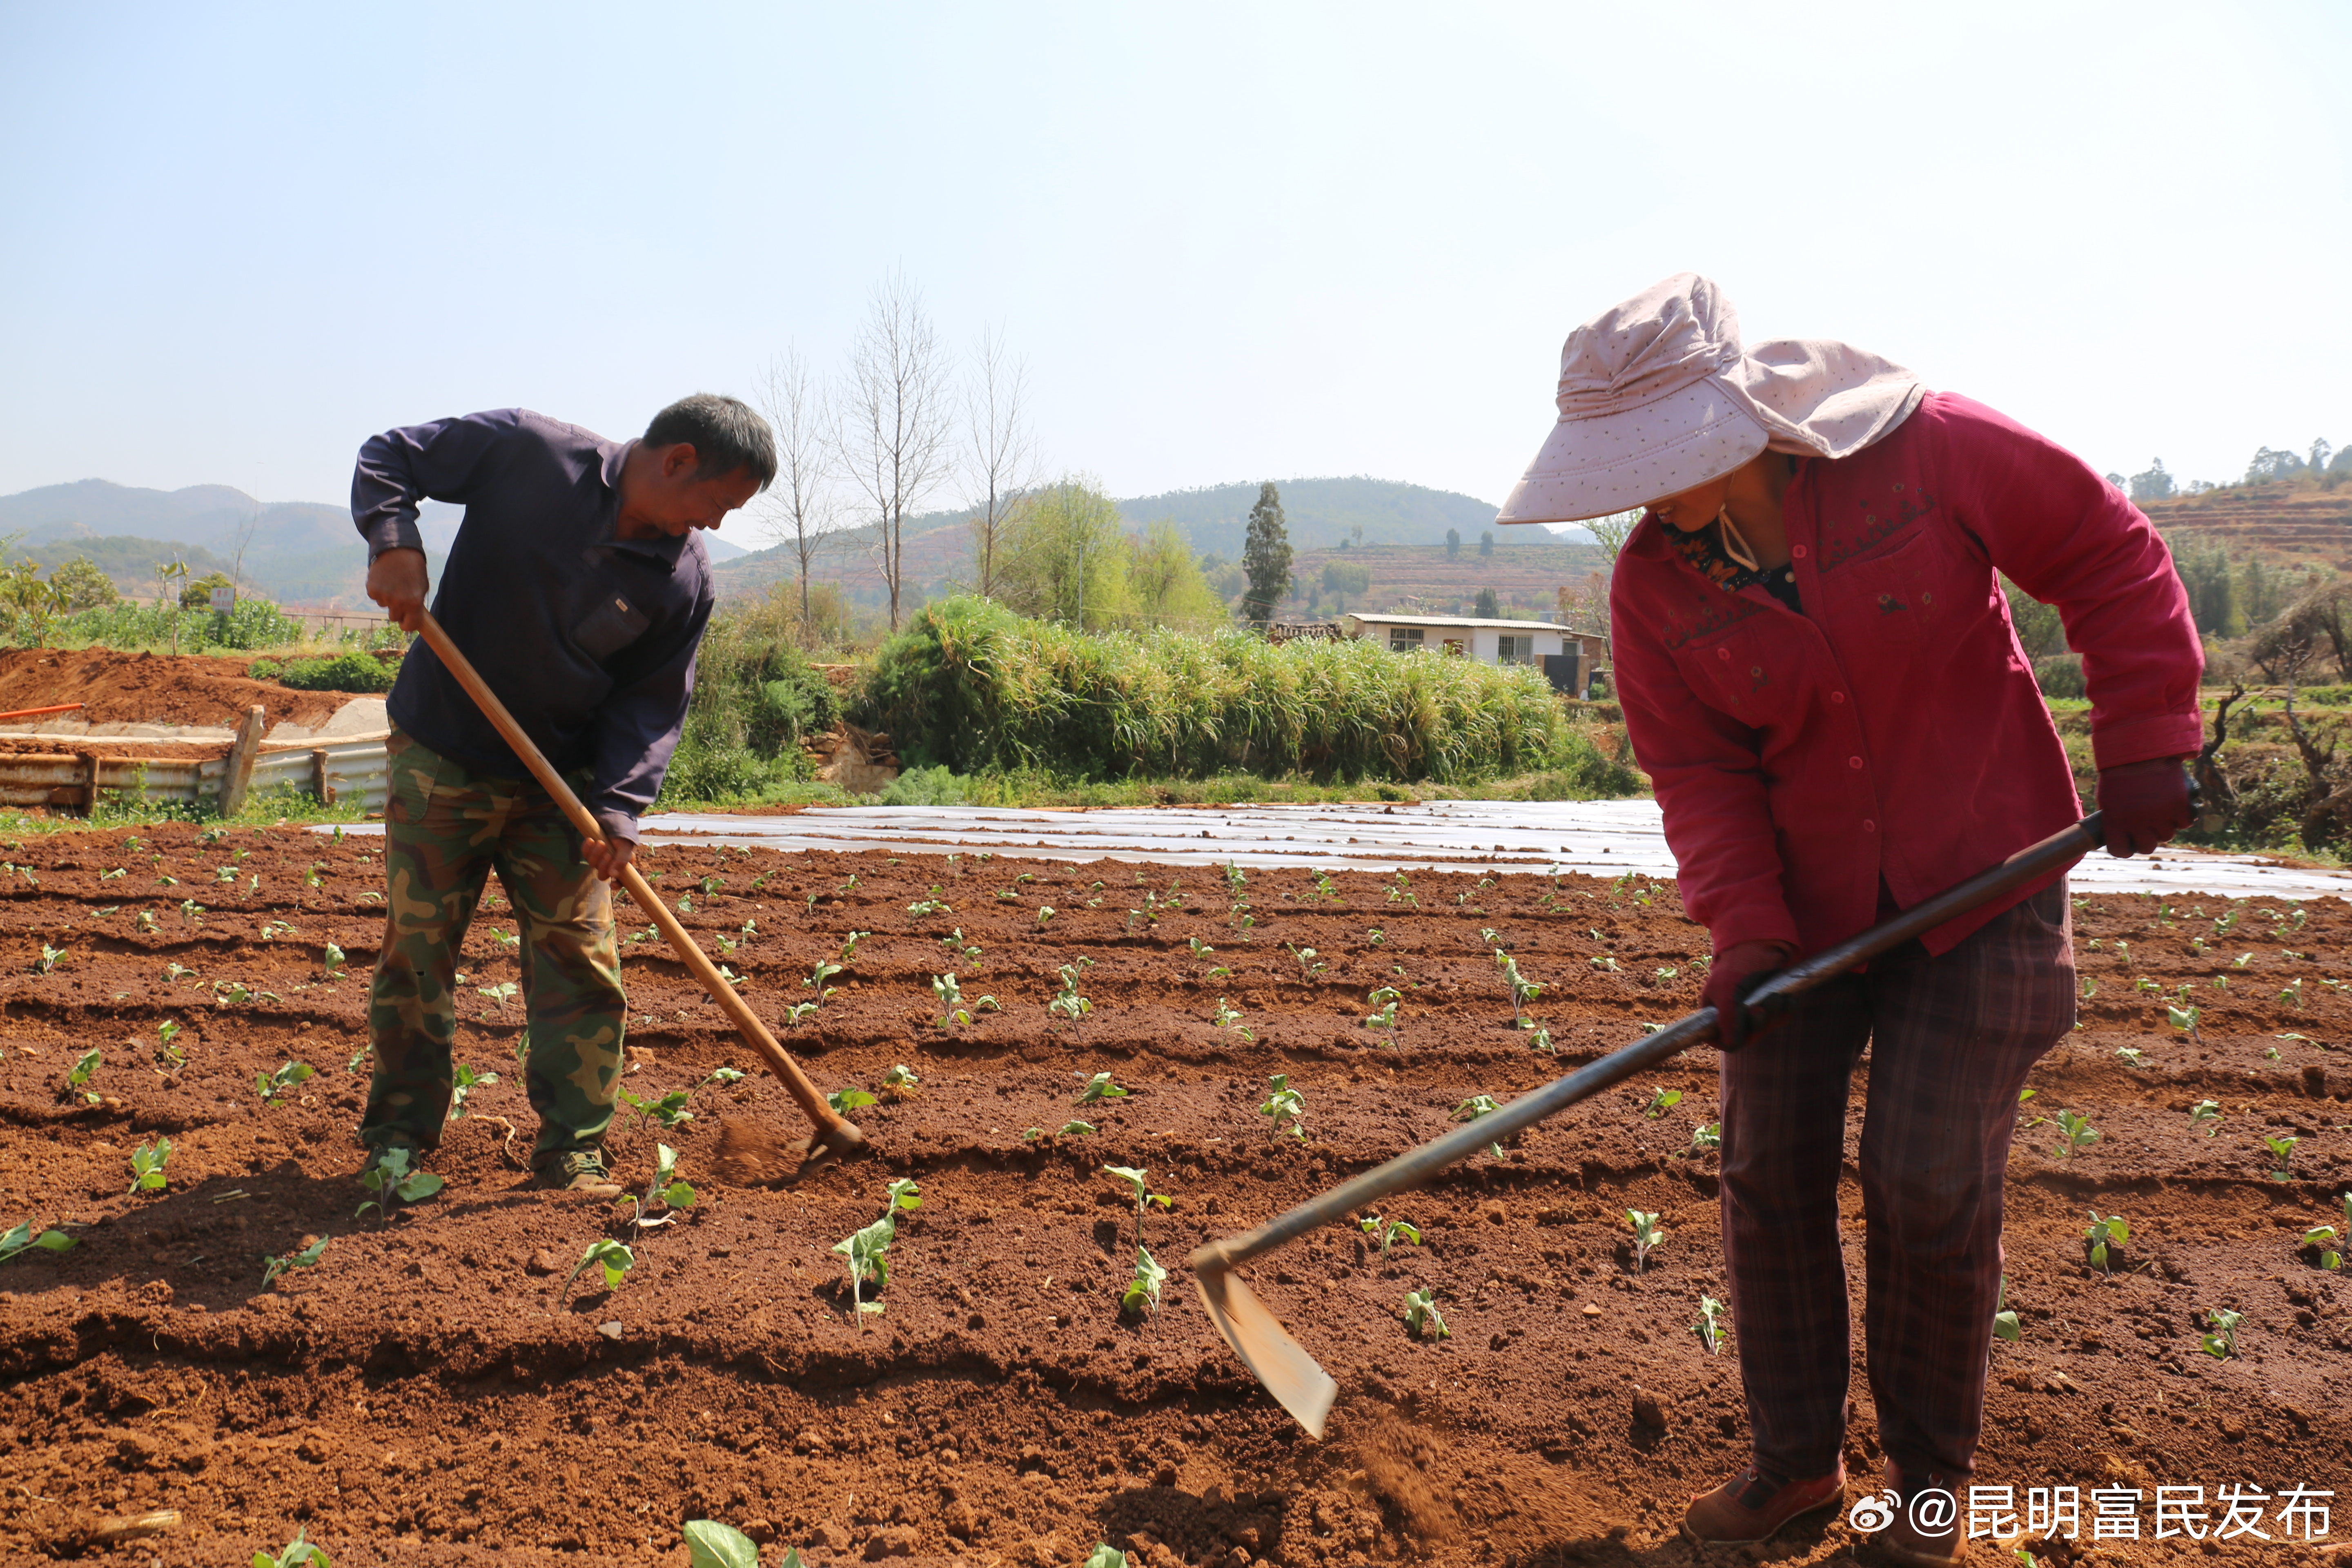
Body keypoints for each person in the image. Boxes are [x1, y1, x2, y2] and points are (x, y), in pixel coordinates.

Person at [1495, 276, 2199, 1567]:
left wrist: (2148, 732)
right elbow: (1703, 781)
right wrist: (1745, 934)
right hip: (1806, 914)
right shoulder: (1655, 591)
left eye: (1658, 456)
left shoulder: (1924, 452)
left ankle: (1927, 1488)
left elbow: (2105, 550)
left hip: (1984, 873)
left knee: (1925, 1175)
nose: (1642, 493)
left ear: (1735, 417)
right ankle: (1796, 1465)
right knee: (1768, 1166)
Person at [350, 396, 776, 1197]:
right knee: (419, 954)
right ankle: (398, 1141)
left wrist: (619, 807)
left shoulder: (684, 578)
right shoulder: (531, 453)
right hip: (443, 755)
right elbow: (389, 456)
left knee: (582, 962)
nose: (715, 523)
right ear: (678, 460)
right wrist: (394, 542)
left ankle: (572, 1151)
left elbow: (650, 705)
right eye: (718, 501)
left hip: (560, 790)